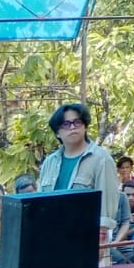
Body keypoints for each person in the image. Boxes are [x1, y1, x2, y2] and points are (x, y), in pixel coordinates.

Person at [36, 102, 120, 244]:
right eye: (66, 124)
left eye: (77, 122)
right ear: (57, 132)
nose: (72, 127)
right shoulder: (49, 162)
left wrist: (100, 242)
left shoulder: (101, 159)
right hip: (51, 238)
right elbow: (40, 203)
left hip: (86, 239)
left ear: (85, 126)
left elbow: (107, 208)